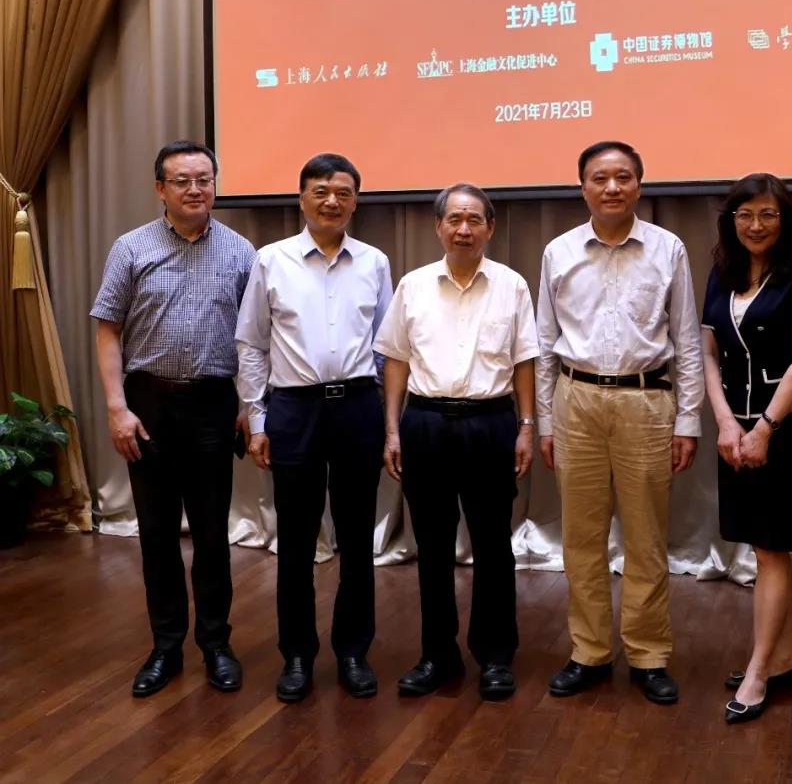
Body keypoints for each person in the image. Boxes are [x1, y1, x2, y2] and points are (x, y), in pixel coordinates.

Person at [536, 141, 704, 705]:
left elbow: (685, 338)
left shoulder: (668, 248)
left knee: (646, 536)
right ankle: (588, 651)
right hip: (575, 399)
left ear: (639, 185)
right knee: (581, 538)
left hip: (645, 401)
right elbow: (543, 342)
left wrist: (688, 420)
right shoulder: (559, 252)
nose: (612, 187)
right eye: (600, 178)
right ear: (582, 187)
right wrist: (545, 421)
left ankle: (649, 653)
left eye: (623, 177)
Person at [91, 140, 256, 698]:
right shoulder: (131, 248)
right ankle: (165, 646)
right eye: (182, 180)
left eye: (204, 179)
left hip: (214, 405)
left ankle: (216, 644)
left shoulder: (240, 251)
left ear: (215, 185)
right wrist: (117, 407)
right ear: (160, 188)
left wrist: (248, 405)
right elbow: (108, 330)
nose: (195, 189)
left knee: (211, 534)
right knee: (158, 533)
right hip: (148, 405)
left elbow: (254, 340)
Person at [236, 153, 392, 703]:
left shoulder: (374, 262)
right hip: (294, 410)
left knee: (357, 538)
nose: (332, 201)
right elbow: (251, 344)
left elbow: (386, 347)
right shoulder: (271, 260)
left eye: (343, 192)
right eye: (321, 191)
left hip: (356, 408)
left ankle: (353, 652)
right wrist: (257, 419)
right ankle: (297, 655)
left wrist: (383, 418)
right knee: (297, 541)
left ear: (356, 201)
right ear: (301, 198)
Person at [375, 183, 539, 700]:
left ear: (490, 228)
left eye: (474, 220)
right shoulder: (414, 285)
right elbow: (396, 359)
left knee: (494, 546)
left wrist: (527, 426)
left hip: (491, 423)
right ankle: (437, 656)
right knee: (432, 547)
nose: (463, 229)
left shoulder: (511, 286)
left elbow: (525, 361)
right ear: (438, 227)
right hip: (425, 423)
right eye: (454, 219)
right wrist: (392, 429)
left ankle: (495, 656)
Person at [700, 173, 792, 724]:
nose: (756, 225)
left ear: (785, 219)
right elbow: (708, 353)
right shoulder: (722, 270)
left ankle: (757, 671)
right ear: (731, 219)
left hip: (786, 426)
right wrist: (727, 423)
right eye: (745, 214)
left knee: (773, 547)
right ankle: (786, 660)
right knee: (762, 547)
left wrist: (765, 429)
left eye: (768, 214)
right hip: (735, 426)